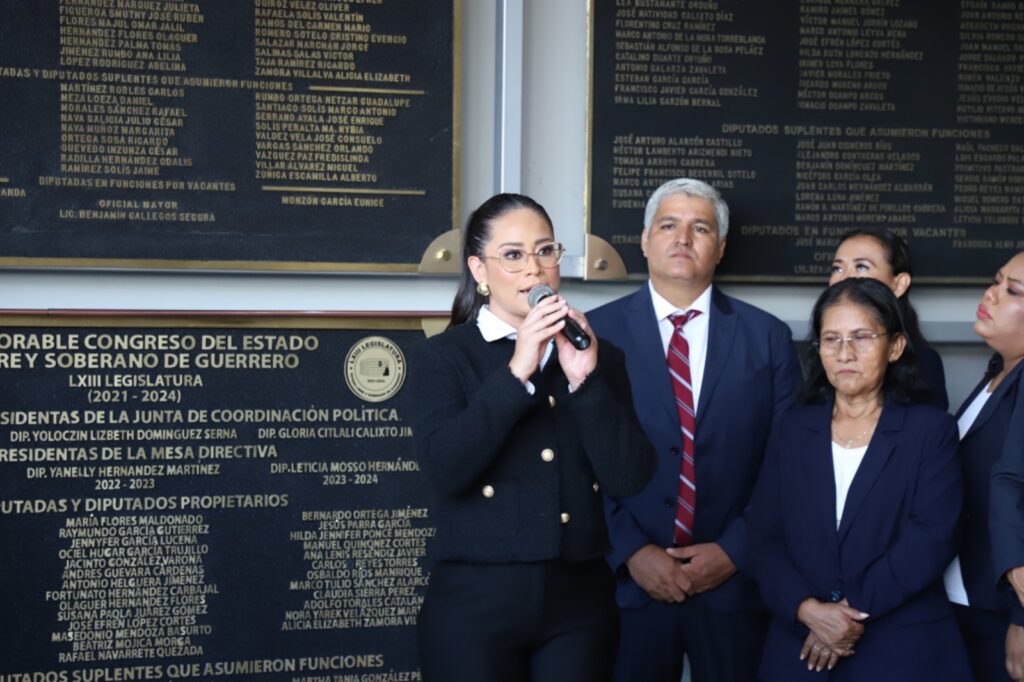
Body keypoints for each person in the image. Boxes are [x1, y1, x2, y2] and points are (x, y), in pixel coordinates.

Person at [405, 193, 656, 682]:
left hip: (578, 601)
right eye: (514, 255)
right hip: (475, 603)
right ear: (479, 270)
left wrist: (585, 381)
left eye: (546, 251)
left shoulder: (599, 357)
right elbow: (445, 470)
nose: (535, 269)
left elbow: (631, 476)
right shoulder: (443, 358)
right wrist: (517, 371)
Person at [588, 178, 802, 682]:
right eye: (668, 225)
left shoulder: (767, 338)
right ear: (644, 240)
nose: (683, 238)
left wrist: (734, 550)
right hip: (627, 588)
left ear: (720, 248)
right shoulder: (594, 333)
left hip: (733, 588)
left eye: (699, 227)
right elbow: (578, 455)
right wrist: (633, 552)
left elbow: (788, 461)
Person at [748, 277, 972, 680]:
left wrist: (844, 617)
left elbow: (932, 537)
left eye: (862, 337)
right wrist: (808, 610)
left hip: (901, 647)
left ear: (896, 347)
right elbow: (765, 536)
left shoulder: (930, 431)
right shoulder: (792, 429)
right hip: (798, 645)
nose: (845, 353)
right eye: (831, 339)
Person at [950, 251, 1024, 681]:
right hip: (968, 599)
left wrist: (1020, 617)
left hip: (1000, 609)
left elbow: (1012, 487)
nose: (991, 294)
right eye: (996, 280)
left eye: (1012, 291)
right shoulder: (999, 371)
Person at [829, 227, 948, 409]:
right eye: (837, 268)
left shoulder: (924, 364)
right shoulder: (823, 353)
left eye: (861, 267)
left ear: (899, 284)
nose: (845, 279)